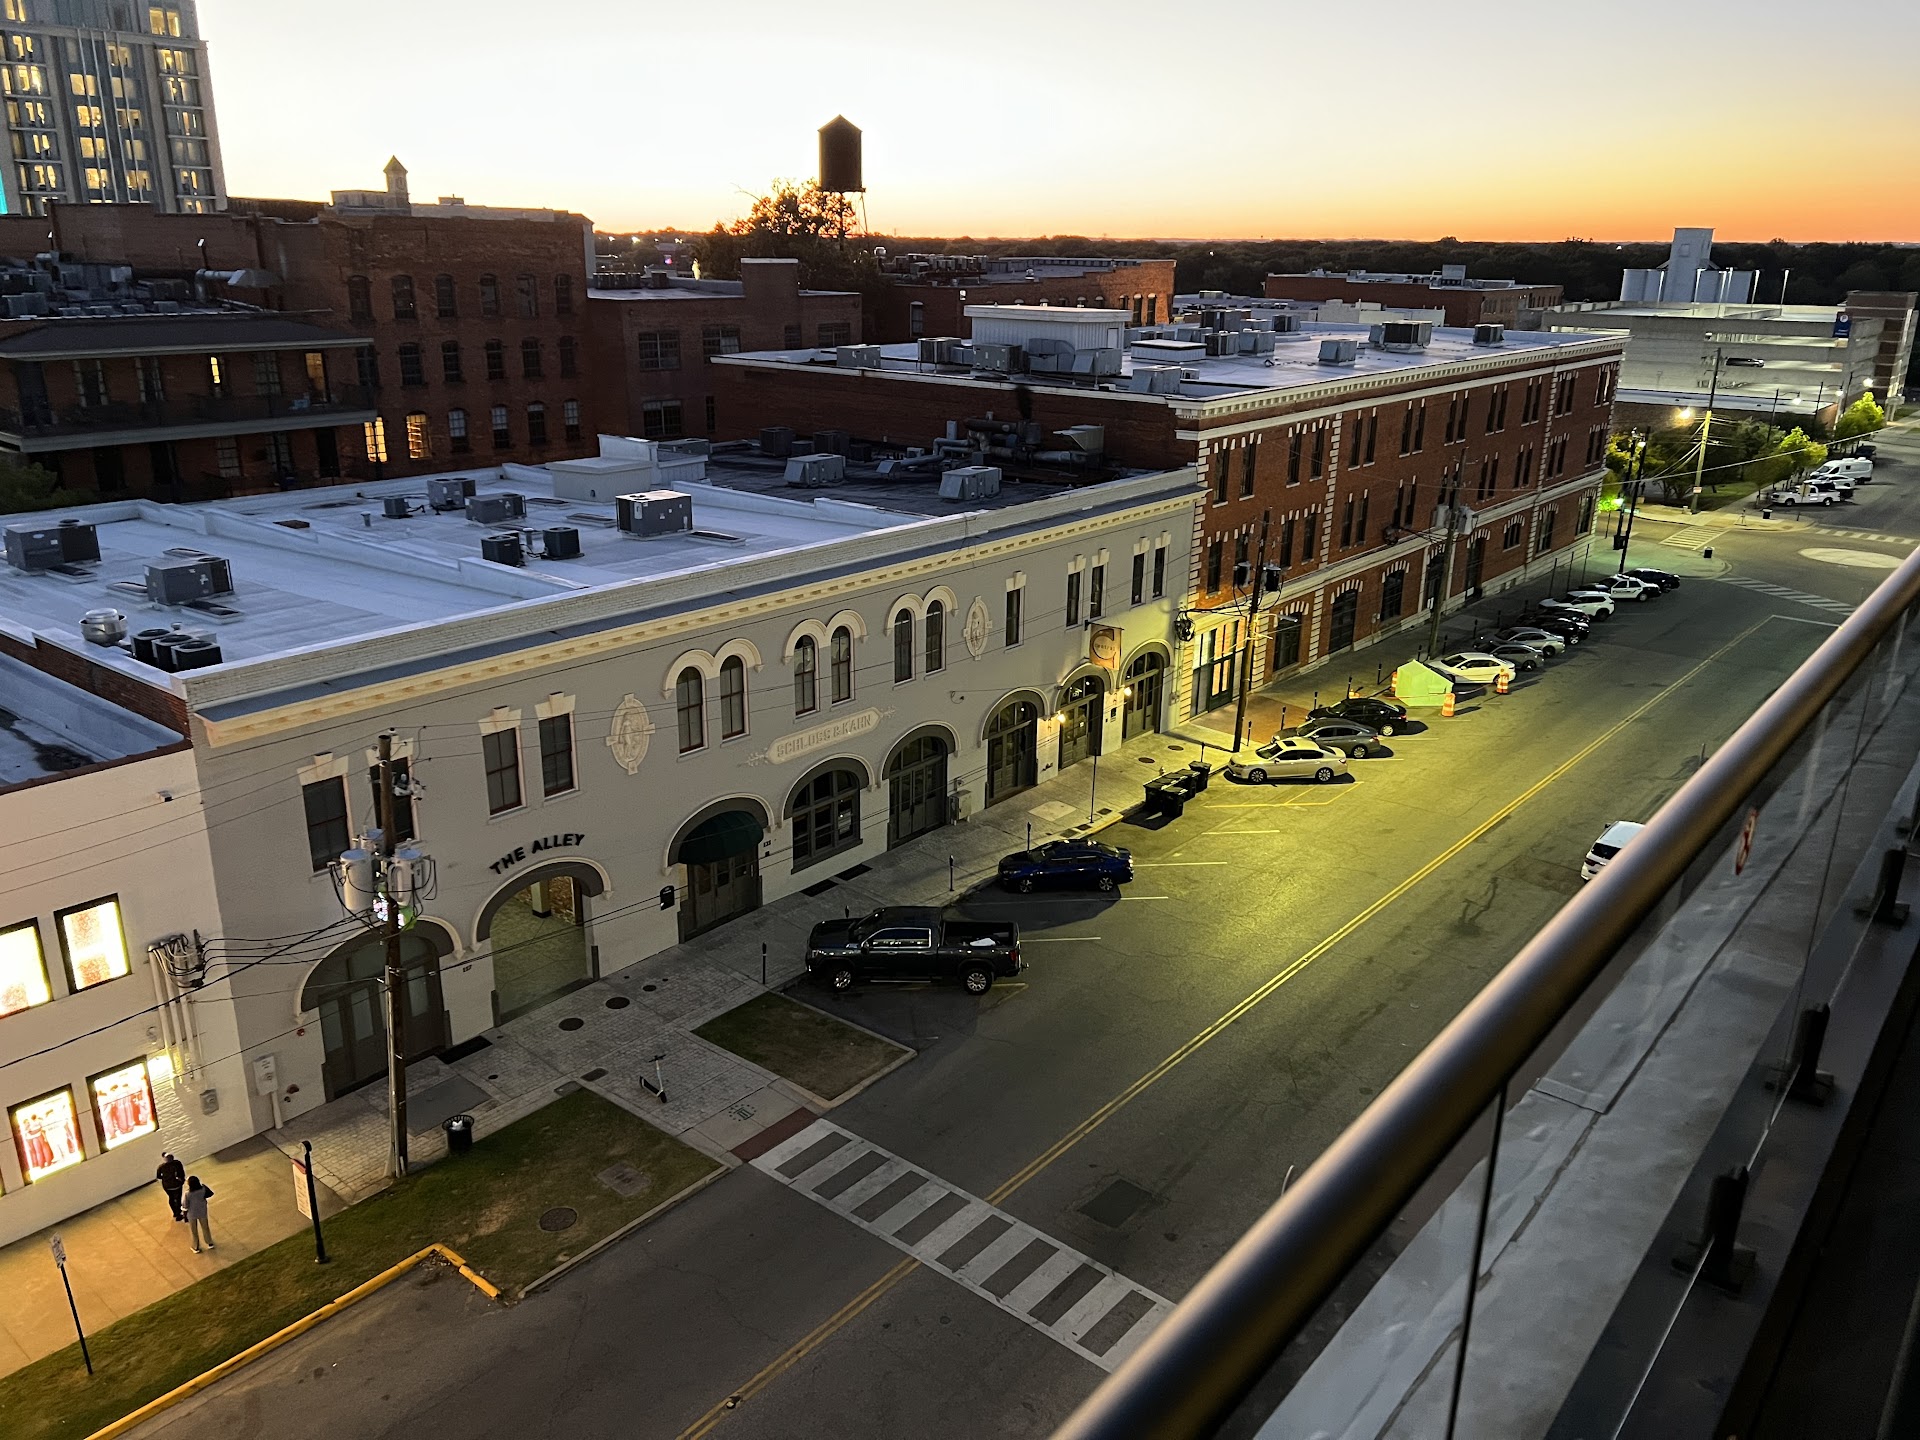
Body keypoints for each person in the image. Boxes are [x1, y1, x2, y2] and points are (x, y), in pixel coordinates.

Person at [183, 1175, 216, 1254]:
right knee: (205, 1228)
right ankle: (209, 1243)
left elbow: (185, 1205)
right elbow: (209, 1194)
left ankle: (196, 1247)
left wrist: (185, 1215)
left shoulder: (187, 1193)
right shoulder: (203, 1189)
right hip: (202, 1211)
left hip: (192, 1214)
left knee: (194, 1231)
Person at [156, 1152, 186, 1222]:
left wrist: (165, 1178)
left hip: (167, 1186)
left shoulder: (161, 1167)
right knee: (178, 1198)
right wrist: (182, 1180)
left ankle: (175, 1213)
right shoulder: (177, 1163)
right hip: (177, 1184)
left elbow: (158, 1176)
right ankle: (178, 1213)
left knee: (171, 1198)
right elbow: (181, 1172)